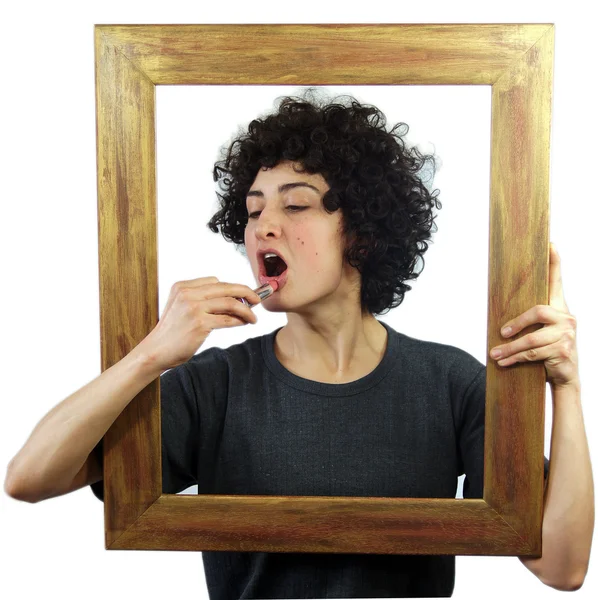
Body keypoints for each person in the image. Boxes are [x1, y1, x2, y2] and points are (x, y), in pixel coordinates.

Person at [6, 89, 586, 598]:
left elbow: (561, 567)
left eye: (296, 204)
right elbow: (30, 479)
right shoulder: (217, 386)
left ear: (360, 231)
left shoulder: (449, 382)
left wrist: (567, 384)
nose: (263, 226)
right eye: (254, 210)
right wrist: (151, 354)